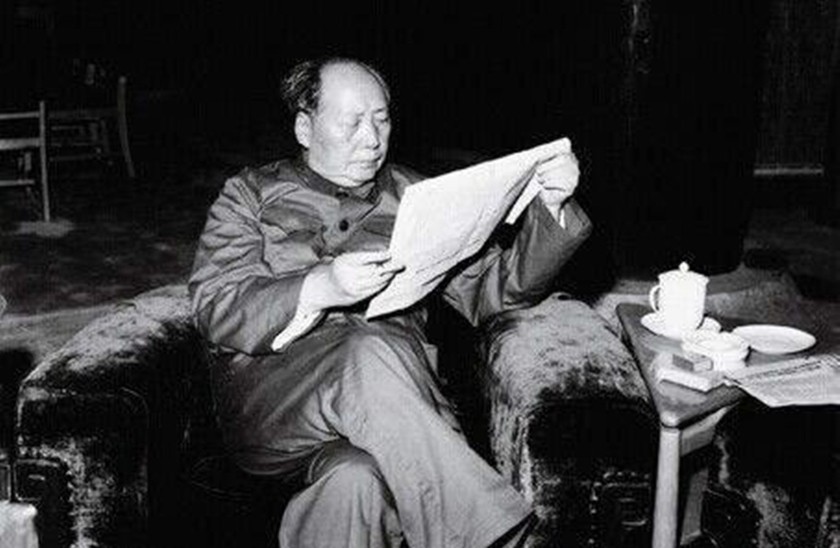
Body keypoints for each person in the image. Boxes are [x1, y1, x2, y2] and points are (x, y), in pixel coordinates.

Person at [189, 56, 592, 548]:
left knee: (354, 485)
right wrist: (319, 287)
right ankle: (499, 538)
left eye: (381, 120)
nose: (372, 139)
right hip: (274, 402)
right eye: (352, 123)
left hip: (396, 413)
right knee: (365, 350)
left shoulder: (417, 195)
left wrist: (550, 206)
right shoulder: (248, 195)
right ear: (305, 127)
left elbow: (495, 290)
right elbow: (215, 304)